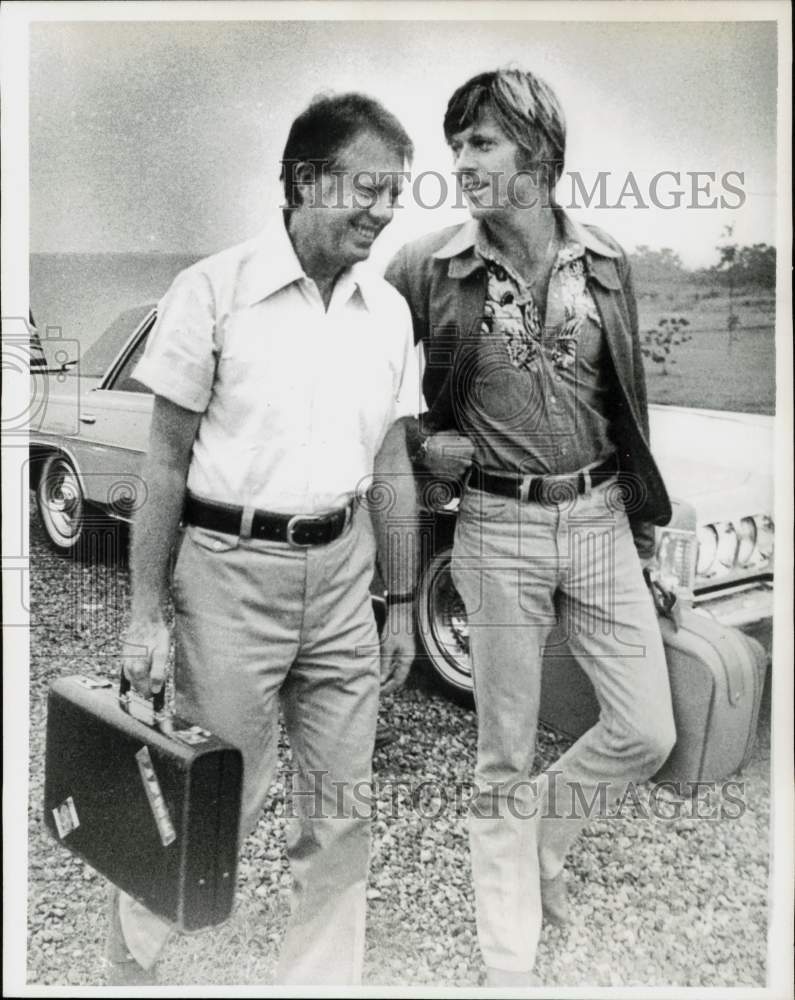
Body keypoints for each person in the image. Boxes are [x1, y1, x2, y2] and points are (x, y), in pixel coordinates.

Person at [112, 92, 420, 986]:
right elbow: (163, 465)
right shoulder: (211, 291)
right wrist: (145, 617)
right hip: (226, 578)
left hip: (342, 577)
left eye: (393, 192)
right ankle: (132, 954)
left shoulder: (387, 314)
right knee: (213, 797)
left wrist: (398, 602)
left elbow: (392, 465)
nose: (382, 208)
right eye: (367, 188)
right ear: (303, 180)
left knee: (339, 810)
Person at [385, 69, 677, 986]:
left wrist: (642, 535)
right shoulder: (425, 268)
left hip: (597, 517)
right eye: (456, 145)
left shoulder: (607, 263)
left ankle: (538, 839)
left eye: (480, 144)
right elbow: (380, 395)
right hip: (496, 528)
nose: (459, 163)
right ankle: (508, 955)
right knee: (501, 752)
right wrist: (423, 442)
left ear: (538, 154)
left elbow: (625, 402)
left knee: (646, 730)